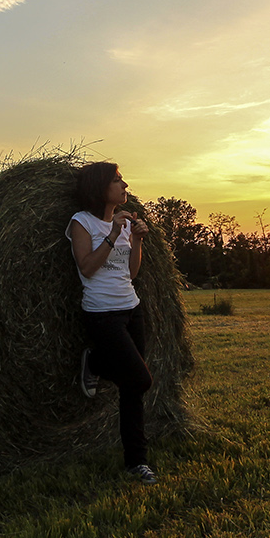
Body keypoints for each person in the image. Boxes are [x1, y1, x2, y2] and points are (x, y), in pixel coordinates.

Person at [66, 162, 157, 485]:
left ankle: (137, 461)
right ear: (100, 186)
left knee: (132, 388)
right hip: (102, 312)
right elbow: (87, 268)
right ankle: (97, 362)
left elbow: (130, 273)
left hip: (132, 308)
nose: (125, 185)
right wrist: (113, 235)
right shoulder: (82, 222)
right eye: (118, 180)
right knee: (140, 379)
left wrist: (137, 240)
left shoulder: (125, 222)